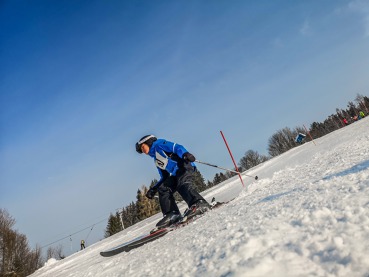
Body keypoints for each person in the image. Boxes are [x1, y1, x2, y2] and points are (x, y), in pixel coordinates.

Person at [135, 135, 211, 229]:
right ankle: (172, 214)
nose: (143, 151)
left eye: (142, 147)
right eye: (141, 150)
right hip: (176, 173)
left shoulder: (159, 144)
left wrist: (185, 154)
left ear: (149, 142)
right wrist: (154, 188)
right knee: (163, 188)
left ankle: (199, 203)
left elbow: (176, 147)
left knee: (182, 183)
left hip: (184, 166)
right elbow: (164, 176)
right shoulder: (156, 159)